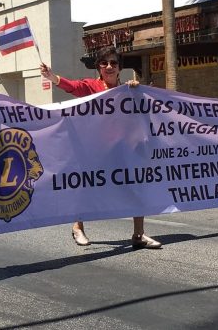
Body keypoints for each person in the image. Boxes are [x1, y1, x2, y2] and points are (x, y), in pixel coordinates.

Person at [41, 46, 163, 250]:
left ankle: (138, 234)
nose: (109, 66)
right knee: (87, 187)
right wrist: (53, 77)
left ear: (119, 68)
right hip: (94, 148)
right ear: (98, 67)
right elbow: (72, 87)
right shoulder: (91, 86)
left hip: (123, 148)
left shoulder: (127, 89)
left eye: (113, 63)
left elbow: (139, 113)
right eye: (104, 63)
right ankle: (77, 227)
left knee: (137, 186)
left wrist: (136, 90)